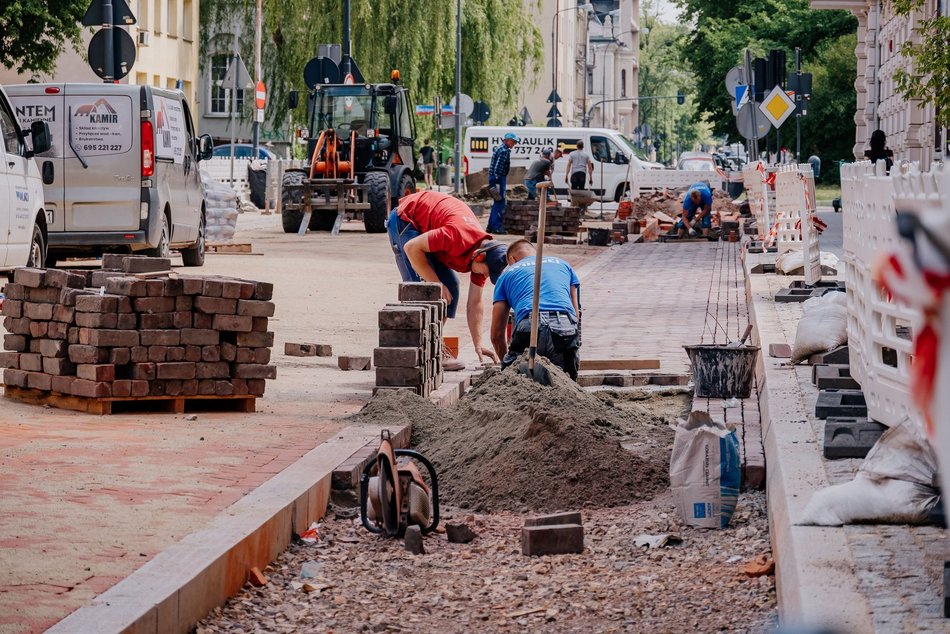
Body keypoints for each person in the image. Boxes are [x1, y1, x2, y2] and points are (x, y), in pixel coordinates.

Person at [388, 191, 509, 369]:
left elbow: (475, 303)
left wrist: (477, 343)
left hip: (429, 227)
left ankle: (432, 345)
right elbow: (411, 247)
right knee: (425, 290)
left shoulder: (483, 253)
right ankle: (416, 352)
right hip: (406, 220)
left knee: (450, 288)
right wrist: (436, 283)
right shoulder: (458, 236)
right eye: (487, 273)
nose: (484, 277)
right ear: (480, 258)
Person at [490, 239, 581, 380]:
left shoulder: (506, 275)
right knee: (566, 382)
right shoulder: (563, 264)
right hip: (564, 325)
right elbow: (575, 314)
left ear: (511, 259)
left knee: (520, 383)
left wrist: (507, 369)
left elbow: (496, 335)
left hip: (529, 325)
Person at [487, 132, 519, 233]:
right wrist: (496, 182)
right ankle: (497, 227)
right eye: (513, 141)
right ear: (507, 140)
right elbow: (498, 167)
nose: (514, 144)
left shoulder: (499, 148)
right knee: (500, 202)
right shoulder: (504, 151)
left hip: (494, 178)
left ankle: (490, 226)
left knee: (497, 201)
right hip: (498, 178)